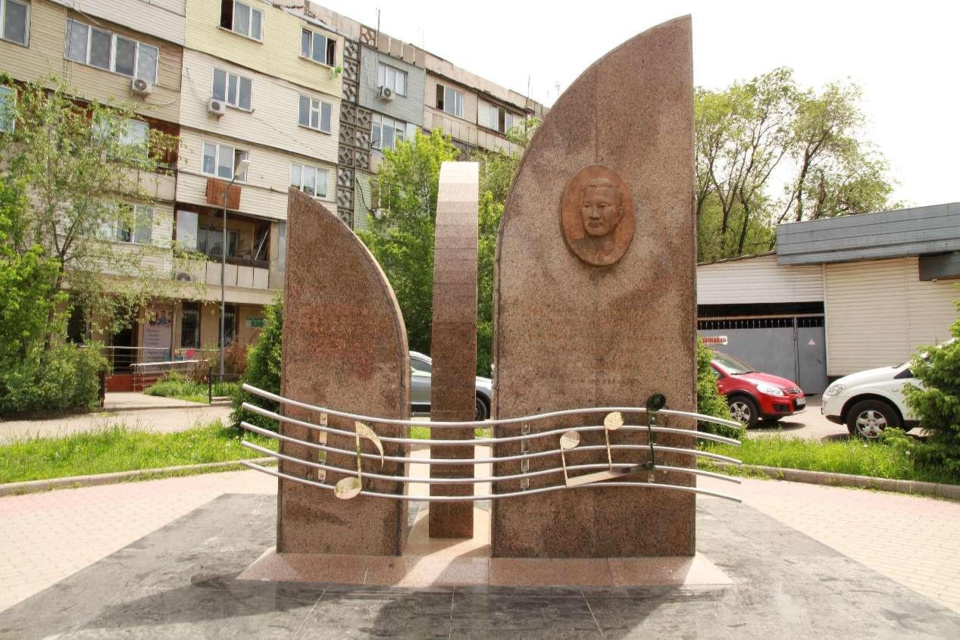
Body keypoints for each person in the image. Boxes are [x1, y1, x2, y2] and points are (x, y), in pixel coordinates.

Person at [570, 177, 625, 266]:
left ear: (618, 214)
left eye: (602, 207)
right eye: (587, 206)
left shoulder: (617, 253)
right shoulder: (575, 247)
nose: (594, 215)